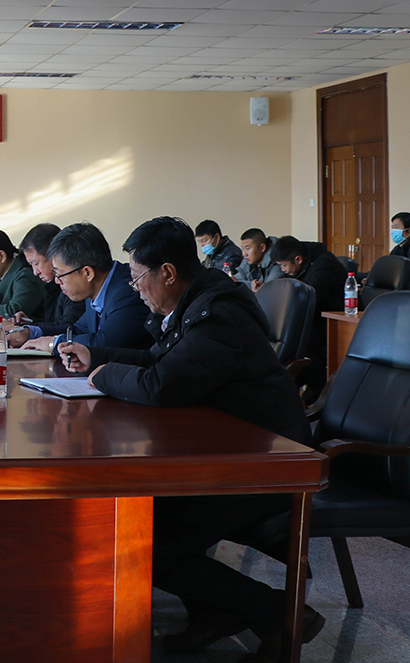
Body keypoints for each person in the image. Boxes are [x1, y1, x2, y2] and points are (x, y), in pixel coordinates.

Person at [61, 217, 318, 661]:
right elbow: (158, 359)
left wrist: (103, 375)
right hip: (232, 450)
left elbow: (162, 384)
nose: (135, 288)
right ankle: (216, 610)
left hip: (268, 463)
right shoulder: (195, 302)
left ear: (167, 272)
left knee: (145, 540)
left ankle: (277, 612)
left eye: (137, 277)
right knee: (137, 525)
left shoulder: (217, 315)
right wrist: (95, 355)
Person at [8, 223, 151, 362]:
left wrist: (54, 343)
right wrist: (31, 333)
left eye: (59, 274)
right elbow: (78, 329)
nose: (57, 281)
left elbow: (102, 343)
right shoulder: (97, 287)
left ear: (87, 273)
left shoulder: (128, 291)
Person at [272, 236, 345, 392]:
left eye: (284, 265)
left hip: (334, 318)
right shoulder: (299, 261)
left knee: (302, 338)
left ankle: (317, 391)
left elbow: (309, 298)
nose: (283, 270)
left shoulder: (324, 266)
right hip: (315, 315)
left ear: (298, 259)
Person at [18, 222, 85, 332]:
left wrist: (29, 330)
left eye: (36, 263)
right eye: (31, 265)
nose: (35, 272)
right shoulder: (52, 286)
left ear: (54, 255)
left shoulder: (72, 284)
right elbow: (54, 322)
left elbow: (69, 326)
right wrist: (29, 322)